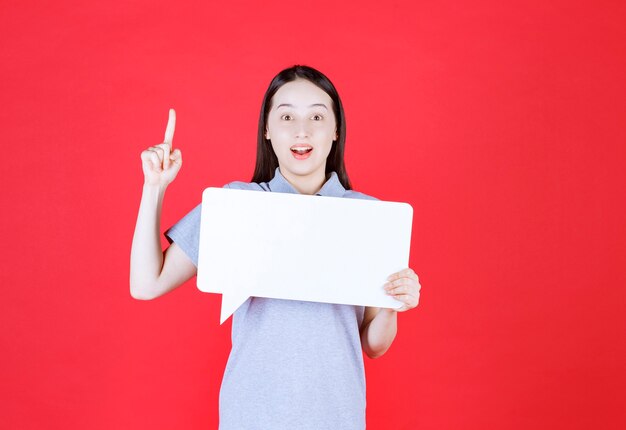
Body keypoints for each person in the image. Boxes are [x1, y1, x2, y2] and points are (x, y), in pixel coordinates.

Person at [130, 65, 421, 429]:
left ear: (335, 131)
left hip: (337, 416)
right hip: (250, 416)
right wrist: (153, 187)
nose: (302, 130)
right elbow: (146, 283)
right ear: (267, 130)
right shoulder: (236, 205)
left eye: (317, 116)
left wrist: (395, 302)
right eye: (286, 116)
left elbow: (374, 344)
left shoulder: (369, 217)